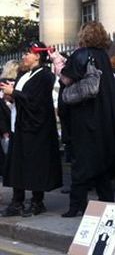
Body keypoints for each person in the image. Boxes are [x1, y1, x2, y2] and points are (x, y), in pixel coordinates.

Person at [59, 21, 115, 217]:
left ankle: (76, 205)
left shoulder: (81, 55)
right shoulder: (104, 57)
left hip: (85, 116)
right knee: (101, 163)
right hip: (105, 116)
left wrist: (60, 67)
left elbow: (66, 79)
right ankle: (107, 202)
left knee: (81, 163)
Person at [0, 42, 62, 217]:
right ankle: (17, 201)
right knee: (16, 165)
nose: (24, 57)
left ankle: (37, 201)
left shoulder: (44, 75)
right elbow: (22, 99)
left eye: (28, 53)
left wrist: (15, 93)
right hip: (19, 125)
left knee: (35, 166)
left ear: (37, 56)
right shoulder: (23, 74)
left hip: (36, 128)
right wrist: (11, 96)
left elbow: (37, 102)